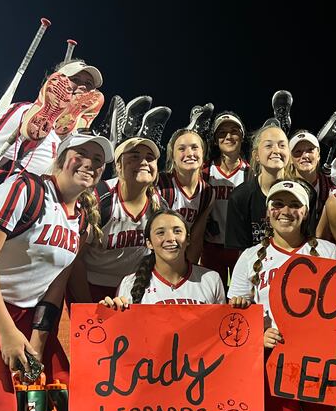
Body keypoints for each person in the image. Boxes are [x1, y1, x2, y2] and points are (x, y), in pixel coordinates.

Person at [0, 133, 113, 411]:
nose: (90, 164)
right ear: (60, 158)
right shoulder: (24, 189)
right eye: (81, 154)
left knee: (66, 394)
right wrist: (7, 334)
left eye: (98, 160)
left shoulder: (81, 217)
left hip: (26, 312)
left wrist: (38, 341)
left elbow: (55, 288)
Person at [228, 179, 336, 411]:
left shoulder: (328, 252)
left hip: (323, 361)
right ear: (267, 211)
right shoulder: (249, 257)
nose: (285, 211)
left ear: (305, 212)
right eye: (278, 204)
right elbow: (235, 321)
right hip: (273, 360)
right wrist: (258, 336)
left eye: (294, 205)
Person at [0, 60, 104, 176]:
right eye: (75, 79)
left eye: (89, 84)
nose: (83, 87)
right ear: (55, 81)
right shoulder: (23, 113)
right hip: (14, 202)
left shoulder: (81, 140)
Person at [74, 130, 165, 303]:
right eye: (134, 157)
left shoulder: (159, 203)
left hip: (136, 287)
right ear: (118, 166)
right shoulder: (98, 199)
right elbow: (75, 260)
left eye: (150, 158)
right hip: (91, 285)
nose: (144, 162)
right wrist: (87, 306)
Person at [99, 209, 225, 308]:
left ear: (188, 239)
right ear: (149, 243)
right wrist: (111, 312)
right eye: (160, 232)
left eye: (177, 231)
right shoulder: (129, 283)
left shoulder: (211, 279)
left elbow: (220, 330)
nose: (170, 238)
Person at [225, 119, 290, 250]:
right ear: (256, 155)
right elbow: (241, 254)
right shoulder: (240, 197)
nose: (276, 150)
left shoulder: (302, 193)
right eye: (268, 146)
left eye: (282, 145)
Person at [201, 112, 250, 284]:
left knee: (242, 297)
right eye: (222, 133)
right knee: (214, 299)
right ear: (215, 140)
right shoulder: (205, 173)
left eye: (234, 131)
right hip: (212, 248)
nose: (228, 136)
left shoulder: (251, 173)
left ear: (242, 137)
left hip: (241, 248)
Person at [157, 128, 215, 263]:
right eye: (181, 149)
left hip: (182, 259)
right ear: (172, 156)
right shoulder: (160, 185)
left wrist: (186, 273)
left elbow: (195, 240)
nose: (189, 153)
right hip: (155, 259)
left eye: (194, 147)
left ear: (203, 152)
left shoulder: (207, 193)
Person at [287, 130, 334, 223]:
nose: (305, 155)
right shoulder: (284, 187)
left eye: (310, 150)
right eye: (298, 151)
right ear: (290, 159)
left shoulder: (331, 187)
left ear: (318, 155)